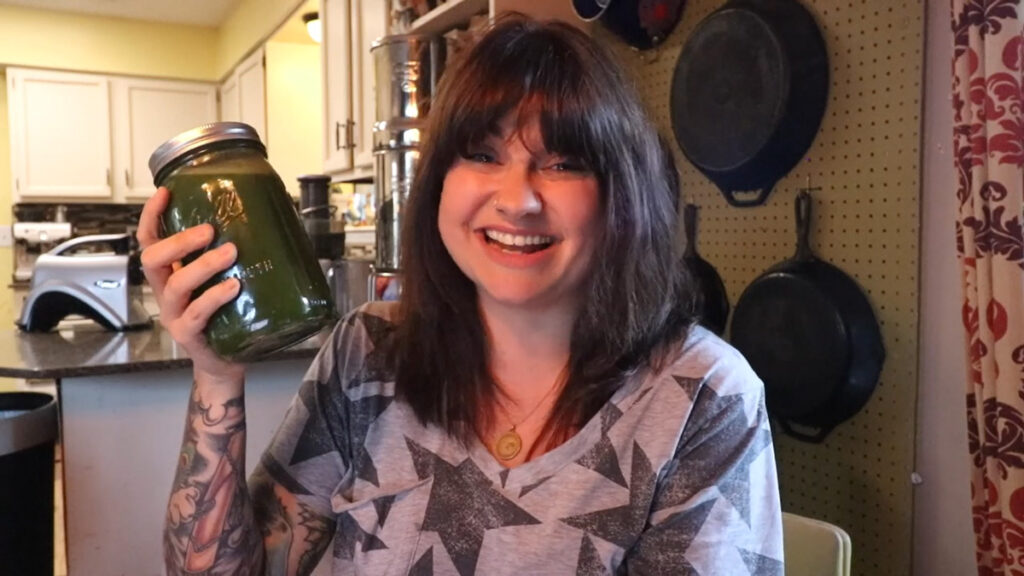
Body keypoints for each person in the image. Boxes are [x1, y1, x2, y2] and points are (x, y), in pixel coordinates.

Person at [139, 14, 783, 576]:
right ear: (439, 184)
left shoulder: (702, 399)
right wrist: (216, 374)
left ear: (619, 192)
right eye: (480, 154)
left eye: (562, 163)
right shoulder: (367, 354)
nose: (517, 199)